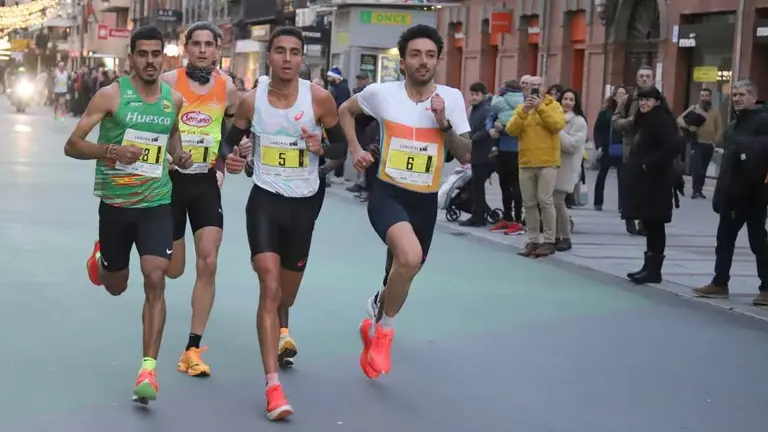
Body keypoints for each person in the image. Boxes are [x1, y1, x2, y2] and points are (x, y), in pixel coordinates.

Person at [219, 26, 347, 420]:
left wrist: (322, 147)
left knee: (285, 296)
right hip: (265, 201)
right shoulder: (251, 101)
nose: (287, 58)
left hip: (304, 205)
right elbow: (227, 142)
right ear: (269, 57)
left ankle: (281, 328)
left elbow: (341, 147)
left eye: (294, 51)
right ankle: (273, 386)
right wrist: (231, 158)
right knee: (269, 287)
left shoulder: (319, 99)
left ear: (302, 58)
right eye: (280, 51)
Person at [63, 26, 193, 404]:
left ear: (164, 58)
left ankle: (148, 369)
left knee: (156, 277)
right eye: (143, 54)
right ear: (131, 57)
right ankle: (102, 260)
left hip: (156, 202)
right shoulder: (111, 95)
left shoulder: (173, 100)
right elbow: (72, 145)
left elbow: (171, 135)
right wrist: (112, 151)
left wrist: (179, 155)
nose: (150, 61)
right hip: (117, 205)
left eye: (156, 54)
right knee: (116, 285)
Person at [338, 24, 471, 380]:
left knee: (406, 271)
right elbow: (345, 111)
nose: (423, 61)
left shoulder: (451, 98)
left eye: (430, 55)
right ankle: (383, 333)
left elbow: (465, 154)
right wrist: (355, 149)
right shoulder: (382, 94)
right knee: (409, 257)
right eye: (415, 54)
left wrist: (443, 123)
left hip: (424, 200)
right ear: (402, 62)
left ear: (439, 61)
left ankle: (376, 314)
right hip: (388, 193)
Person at [158, 21, 241, 378]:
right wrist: (167, 155)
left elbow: (231, 133)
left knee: (208, 262)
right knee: (173, 269)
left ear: (218, 50)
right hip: (170, 183)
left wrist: (225, 161)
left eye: (209, 44)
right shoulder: (168, 82)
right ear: (186, 47)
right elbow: (149, 125)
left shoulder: (229, 89)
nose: (203, 50)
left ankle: (192, 349)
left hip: (205, 183)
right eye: (196, 44)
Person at [693, 80, 768, 306]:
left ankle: (766, 288)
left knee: (758, 242)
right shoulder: (734, 124)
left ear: (753, 97)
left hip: (754, 193)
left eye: (742, 95)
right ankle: (719, 283)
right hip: (732, 193)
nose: (737, 99)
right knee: (724, 240)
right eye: (734, 95)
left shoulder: (763, 120)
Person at [622, 87, 680, 284]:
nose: (643, 103)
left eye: (647, 100)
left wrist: (649, 164)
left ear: (657, 101)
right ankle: (648, 267)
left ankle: (654, 271)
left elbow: (673, 146)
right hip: (646, 180)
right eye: (641, 100)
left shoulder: (662, 120)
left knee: (655, 223)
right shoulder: (644, 119)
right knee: (649, 222)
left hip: (657, 180)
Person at [506, 75, 565, 257]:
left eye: (538, 85)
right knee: (529, 202)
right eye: (530, 85)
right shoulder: (521, 108)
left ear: (544, 88)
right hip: (526, 161)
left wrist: (540, 107)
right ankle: (533, 240)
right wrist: (524, 111)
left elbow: (557, 125)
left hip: (547, 161)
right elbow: (511, 130)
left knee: (545, 200)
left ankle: (549, 240)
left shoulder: (553, 106)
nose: (534, 89)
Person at [613, 66, 655, 236]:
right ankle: (629, 218)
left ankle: (644, 222)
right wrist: (631, 121)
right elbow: (615, 121)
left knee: (648, 188)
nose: (644, 79)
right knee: (630, 187)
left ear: (652, 79)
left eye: (648, 77)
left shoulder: (659, 99)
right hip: (630, 150)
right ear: (637, 79)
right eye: (641, 76)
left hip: (651, 151)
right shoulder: (628, 99)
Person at [488, 78, 525, 233]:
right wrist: (492, 128)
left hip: (511, 149)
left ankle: (515, 219)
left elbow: (490, 117)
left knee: (510, 186)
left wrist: (494, 129)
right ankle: (510, 218)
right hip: (510, 149)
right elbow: (491, 116)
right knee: (510, 185)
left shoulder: (522, 103)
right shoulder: (520, 101)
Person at [553, 89, 587, 251]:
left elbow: (572, 145)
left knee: (559, 202)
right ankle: (555, 236)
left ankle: (565, 237)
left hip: (567, 167)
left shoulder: (578, 121)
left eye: (571, 99)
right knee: (552, 203)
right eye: (565, 99)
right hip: (553, 164)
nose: (567, 102)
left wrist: (557, 131)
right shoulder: (556, 117)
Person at [676, 88, 723, 199]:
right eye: (702, 96)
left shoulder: (715, 112)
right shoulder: (694, 108)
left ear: (710, 97)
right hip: (696, 143)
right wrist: (688, 126)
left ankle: (699, 189)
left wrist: (715, 141)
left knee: (703, 169)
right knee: (697, 167)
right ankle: (695, 190)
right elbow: (679, 120)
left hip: (709, 144)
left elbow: (720, 128)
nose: (704, 98)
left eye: (706, 96)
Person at [460, 81, 494, 227]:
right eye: (472, 94)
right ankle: (480, 213)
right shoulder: (474, 109)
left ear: (483, 95)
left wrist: (473, 138)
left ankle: (479, 216)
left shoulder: (486, 109)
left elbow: (487, 129)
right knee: (475, 186)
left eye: (477, 94)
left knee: (476, 185)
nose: (474, 97)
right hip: (477, 153)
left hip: (485, 153)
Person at [593, 85, 627, 211]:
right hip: (607, 147)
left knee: (623, 178)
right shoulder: (605, 112)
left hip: (622, 147)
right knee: (602, 175)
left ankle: (622, 205)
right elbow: (598, 130)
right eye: (619, 94)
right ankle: (598, 202)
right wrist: (599, 146)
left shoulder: (627, 112)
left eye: (623, 95)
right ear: (614, 96)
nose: (621, 97)